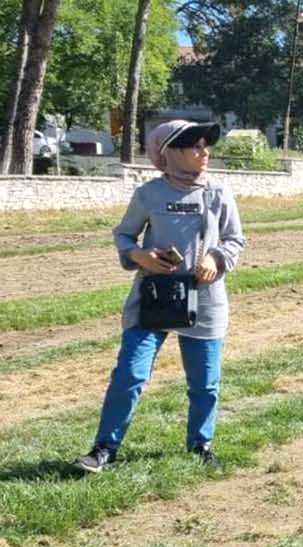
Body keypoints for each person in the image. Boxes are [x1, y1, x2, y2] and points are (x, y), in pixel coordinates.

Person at [73, 120, 246, 473]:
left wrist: (216, 257)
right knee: (130, 374)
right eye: (195, 146)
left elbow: (234, 240)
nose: (205, 152)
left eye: (205, 145)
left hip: (204, 300)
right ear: (170, 152)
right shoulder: (149, 194)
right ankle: (105, 448)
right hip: (153, 298)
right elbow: (124, 235)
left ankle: (201, 444)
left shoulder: (219, 193)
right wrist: (141, 256)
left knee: (205, 383)